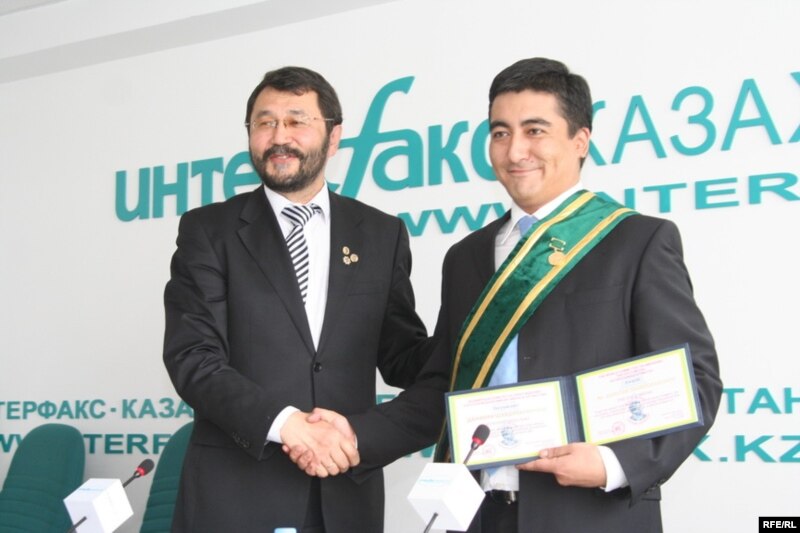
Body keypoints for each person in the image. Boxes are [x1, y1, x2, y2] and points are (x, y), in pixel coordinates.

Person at [431, 57, 722, 532]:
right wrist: (353, 434)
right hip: (480, 514)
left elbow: (696, 379)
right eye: (500, 132)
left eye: (535, 130)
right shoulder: (465, 257)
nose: (515, 150)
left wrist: (613, 463)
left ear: (580, 140)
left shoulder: (637, 241)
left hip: (590, 514)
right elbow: (441, 381)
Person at [163, 66, 445, 533]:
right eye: (265, 122)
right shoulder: (209, 231)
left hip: (344, 493)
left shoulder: (381, 233)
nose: (279, 136)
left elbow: (401, 355)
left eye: (297, 121)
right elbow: (193, 357)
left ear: (334, 137)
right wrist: (287, 424)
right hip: (238, 494)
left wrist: (473, 340)